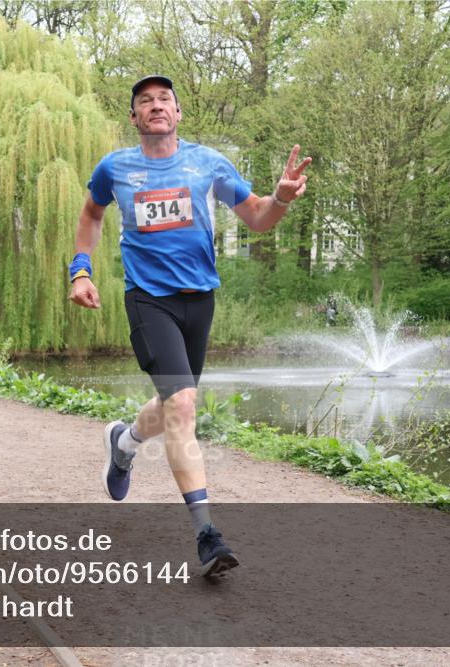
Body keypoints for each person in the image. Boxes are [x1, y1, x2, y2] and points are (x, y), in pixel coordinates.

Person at [69, 75, 311, 576]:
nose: (156, 106)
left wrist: (281, 198)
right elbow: (91, 214)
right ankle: (207, 534)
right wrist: (81, 269)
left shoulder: (208, 163)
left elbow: (258, 219)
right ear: (134, 118)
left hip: (199, 300)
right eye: (145, 102)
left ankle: (124, 440)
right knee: (182, 405)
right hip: (147, 300)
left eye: (164, 100)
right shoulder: (115, 168)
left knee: (172, 404)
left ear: (178, 115)